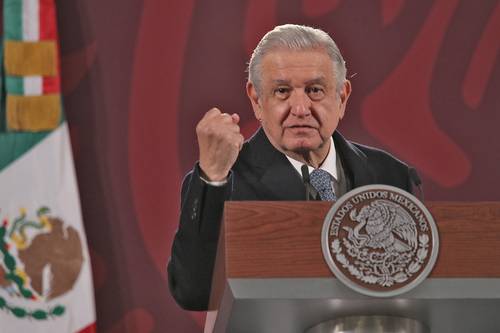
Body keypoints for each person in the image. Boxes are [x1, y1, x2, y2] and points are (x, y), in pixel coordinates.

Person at [167, 24, 419, 311]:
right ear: (256, 100)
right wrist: (212, 178)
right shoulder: (225, 182)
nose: (300, 108)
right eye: (282, 91)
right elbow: (195, 292)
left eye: (315, 90)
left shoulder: (391, 175)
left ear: (342, 97)